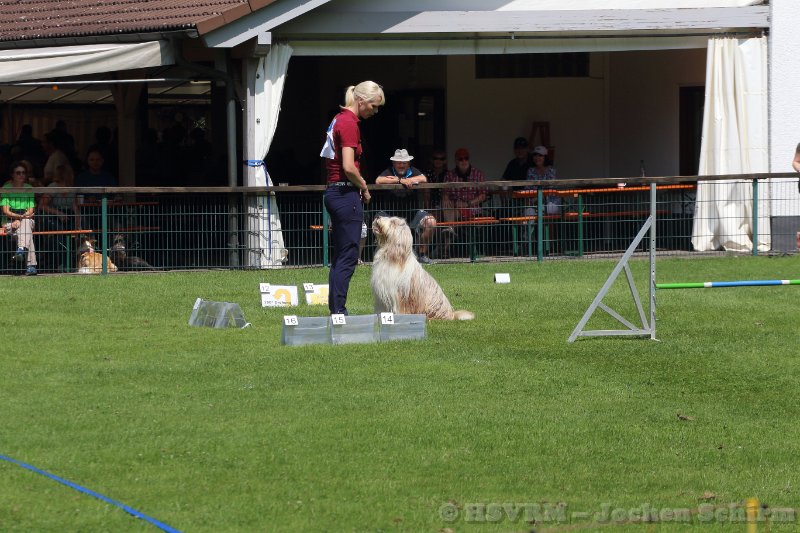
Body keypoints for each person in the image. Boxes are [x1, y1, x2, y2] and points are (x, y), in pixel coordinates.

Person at [320, 81, 384, 315]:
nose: (375, 111)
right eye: (374, 106)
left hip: (335, 192)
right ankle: (339, 312)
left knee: (341, 257)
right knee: (348, 256)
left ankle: (336, 310)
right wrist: (364, 187)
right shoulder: (349, 123)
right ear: (361, 101)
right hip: (345, 194)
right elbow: (348, 166)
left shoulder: (339, 119)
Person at [375, 148, 437, 264]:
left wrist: (408, 179)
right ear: (394, 163)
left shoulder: (413, 170)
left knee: (431, 222)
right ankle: (385, 257)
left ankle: (421, 254)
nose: (401, 165)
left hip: (413, 213)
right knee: (378, 224)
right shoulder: (389, 171)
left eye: (404, 162)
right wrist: (400, 181)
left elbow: (423, 178)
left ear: (408, 163)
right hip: (390, 214)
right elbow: (378, 180)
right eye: (399, 162)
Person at [2, 161, 38, 275]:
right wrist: (18, 219)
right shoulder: (6, 189)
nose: (21, 175)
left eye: (23, 173)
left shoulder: (29, 188)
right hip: (10, 222)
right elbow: (6, 211)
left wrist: (21, 219)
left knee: (26, 223)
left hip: (25, 220)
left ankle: (21, 249)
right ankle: (31, 265)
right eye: (18, 173)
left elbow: (31, 210)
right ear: (12, 175)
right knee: (28, 234)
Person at [442, 148, 488, 223]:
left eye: (466, 158)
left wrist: (467, 204)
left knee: (452, 214)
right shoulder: (449, 175)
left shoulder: (478, 174)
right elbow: (445, 192)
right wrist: (445, 198)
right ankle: (450, 228)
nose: (464, 161)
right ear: (456, 161)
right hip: (455, 207)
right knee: (446, 207)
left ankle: (449, 229)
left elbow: (483, 196)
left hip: (472, 207)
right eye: (460, 159)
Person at [40, 164, 81, 231]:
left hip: (69, 215)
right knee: (59, 229)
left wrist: (78, 221)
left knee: (82, 222)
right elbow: (42, 205)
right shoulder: (53, 187)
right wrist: (58, 213)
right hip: (53, 215)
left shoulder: (71, 188)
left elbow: (75, 208)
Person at [423, 148, 448, 213]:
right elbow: (426, 194)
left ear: (444, 161)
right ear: (432, 160)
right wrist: (429, 210)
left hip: (445, 207)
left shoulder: (448, 174)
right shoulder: (427, 174)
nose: (438, 161)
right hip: (430, 206)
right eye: (435, 158)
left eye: (441, 159)